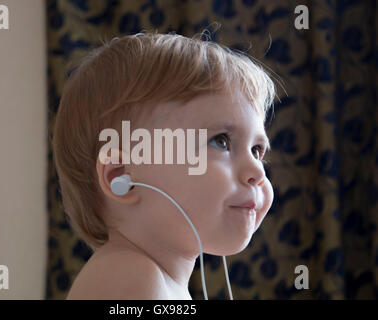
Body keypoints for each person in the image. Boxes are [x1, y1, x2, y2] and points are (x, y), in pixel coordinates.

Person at [52, 31, 276, 299]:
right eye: (221, 141)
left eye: (256, 150)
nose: (257, 171)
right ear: (120, 175)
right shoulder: (129, 277)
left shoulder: (153, 278)